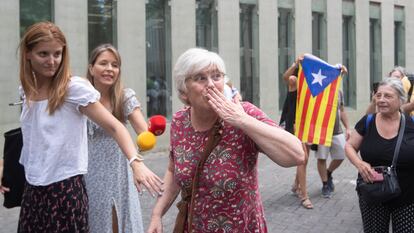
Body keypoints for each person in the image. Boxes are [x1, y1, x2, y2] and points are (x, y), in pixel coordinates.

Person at [0, 21, 163, 232]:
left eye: (57, 54)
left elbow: (116, 127)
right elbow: (33, 138)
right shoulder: (26, 90)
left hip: (65, 188)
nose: (52, 61)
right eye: (43, 54)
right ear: (28, 54)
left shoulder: (73, 89)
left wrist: (135, 162)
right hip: (33, 189)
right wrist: (6, 166)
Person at [147, 48, 305, 232]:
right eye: (200, 78)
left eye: (216, 76)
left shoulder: (243, 113)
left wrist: (242, 121)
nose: (212, 85)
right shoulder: (179, 122)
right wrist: (157, 214)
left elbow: (297, 155)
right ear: (184, 92)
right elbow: (174, 171)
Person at [85, 44, 148, 233]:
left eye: (115, 65)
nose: (109, 69)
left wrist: (149, 136)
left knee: (118, 222)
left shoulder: (124, 97)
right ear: (91, 68)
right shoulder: (81, 97)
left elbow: (143, 133)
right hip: (88, 173)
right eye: (103, 63)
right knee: (93, 222)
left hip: (119, 171)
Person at [345, 78, 414, 232]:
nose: (381, 100)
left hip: (408, 197)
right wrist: (359, 163)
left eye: (388, 96)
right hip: (373, 193)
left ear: (401, 100)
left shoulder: (412, 124)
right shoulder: (368, 121)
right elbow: (350, 145)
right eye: (378, 95)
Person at [280, 55, 313, 209]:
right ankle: (304, 195)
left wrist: (339, 71)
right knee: (303, 157)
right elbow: (286, 77)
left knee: (306, 157)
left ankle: (295, 184)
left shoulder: (314, 83)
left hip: (308, 123)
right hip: (295, 124)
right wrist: (295, 64)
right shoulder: (295, 80)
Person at [315, 88, 351, 198]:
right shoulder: (317, 89)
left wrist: (348, 128)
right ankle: (325, 184)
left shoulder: (338, 91)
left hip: (337, 130)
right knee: (322, 158)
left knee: (341, 155)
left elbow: (342, 110)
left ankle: (328, 172)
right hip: (321, 131)